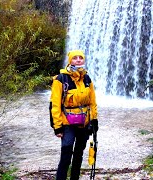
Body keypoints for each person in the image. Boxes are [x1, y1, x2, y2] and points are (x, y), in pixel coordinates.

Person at [50, 50, 98, 180]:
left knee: (78, 155)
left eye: (80, 58)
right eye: (75, 58)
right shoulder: (61, 79)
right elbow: (55, 105)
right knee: (66, 155)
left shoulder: (87, 78)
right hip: (67, 124)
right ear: (70, 60)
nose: (78, 60)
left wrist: (94, 120)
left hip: (84, 123)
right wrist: (57, 127)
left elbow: (92, 102)